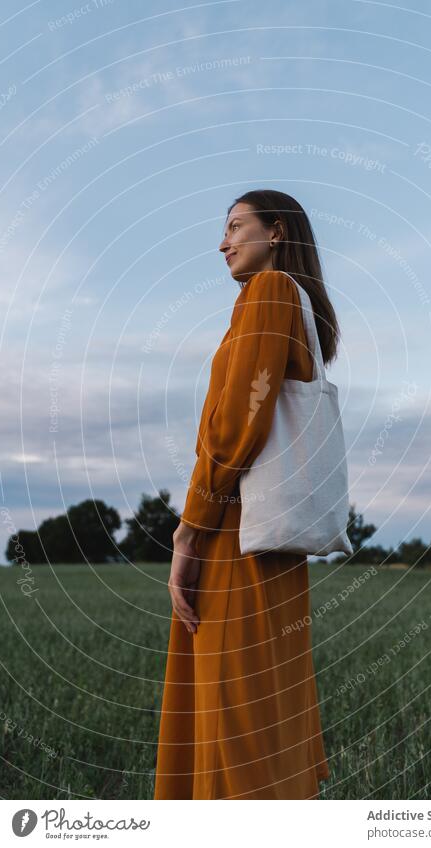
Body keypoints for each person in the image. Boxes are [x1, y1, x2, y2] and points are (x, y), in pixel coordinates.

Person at [154, 189, 342, 800]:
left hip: (238, 537)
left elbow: (241, 415)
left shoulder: (268, 292)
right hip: (272, 538)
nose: (223, 241)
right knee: (263, 709)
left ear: (278, 231)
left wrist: (191, 527)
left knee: (233, 721)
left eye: (237, 226)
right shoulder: (288, 301)